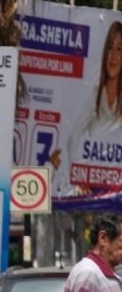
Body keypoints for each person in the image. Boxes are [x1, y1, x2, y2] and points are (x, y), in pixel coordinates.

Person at [52, 22, 122, 196]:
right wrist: (79, 177)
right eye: (110, 48)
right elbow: (72, 137)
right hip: (93, 185)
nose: (113, 56)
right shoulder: (94, 95)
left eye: (119, 49)